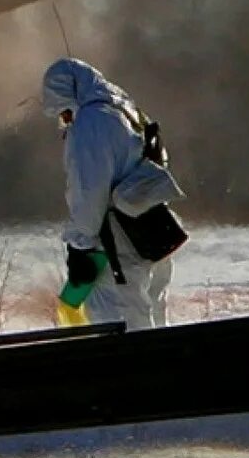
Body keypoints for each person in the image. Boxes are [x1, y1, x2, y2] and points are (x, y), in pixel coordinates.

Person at [41, 58, 186, 330]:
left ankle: (132, 373)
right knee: (154, 311)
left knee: (118, 320)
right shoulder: (127, 110)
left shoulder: (91, 122)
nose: (65, 121)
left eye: (64, 113)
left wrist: (79, 246)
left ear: (67, 95)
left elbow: (89, 192)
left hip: (117, 244)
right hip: (153, 231)